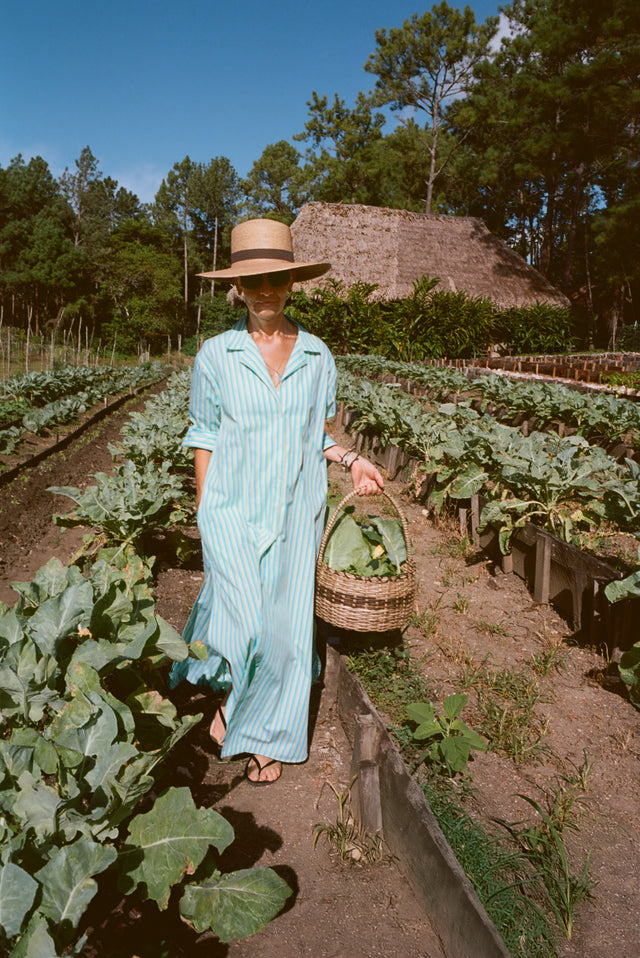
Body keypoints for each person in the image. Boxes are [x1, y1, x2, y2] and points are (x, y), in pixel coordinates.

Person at [170, 218, 384, 784]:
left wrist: (351, 460)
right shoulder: (216, 355)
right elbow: (204, 434)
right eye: (254, 281)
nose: (266, 291)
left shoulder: (317, 356)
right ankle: (231, 700)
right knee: (243, 622)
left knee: (287, 629)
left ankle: (263, 730)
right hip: (232, 508)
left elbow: (319, 434)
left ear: (293, 282)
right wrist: (204, 508)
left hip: (295, 510)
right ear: (237, 287)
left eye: (277, 279)